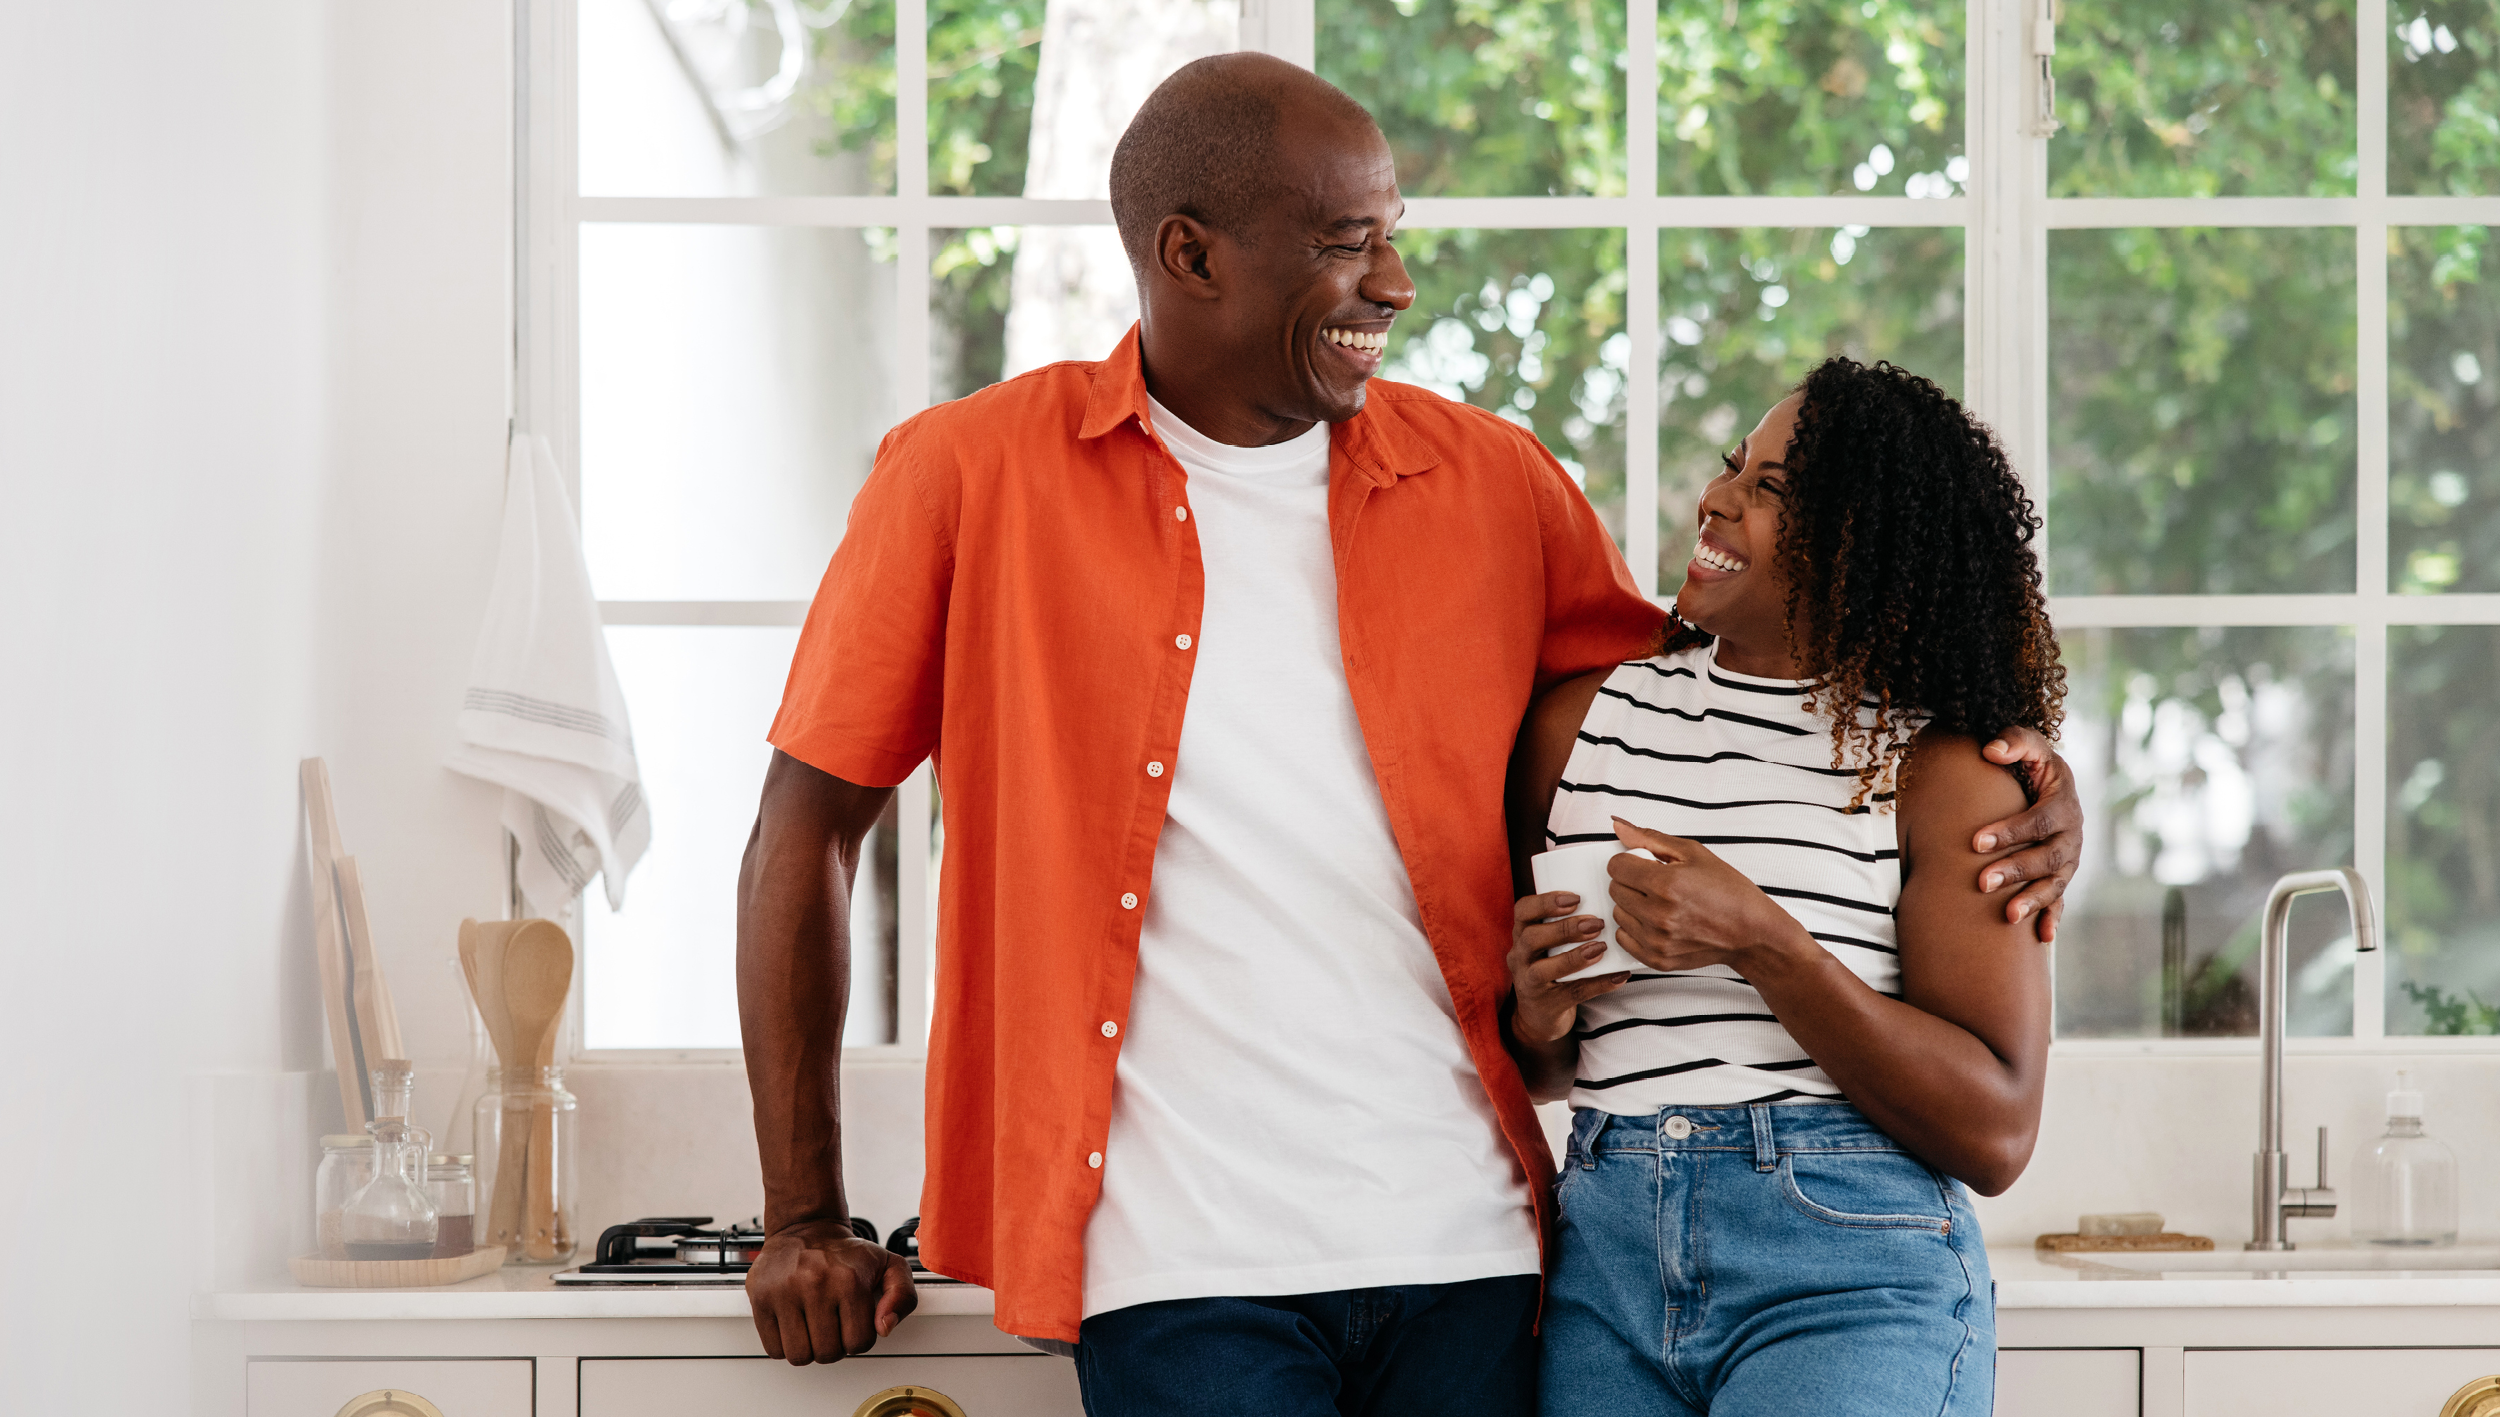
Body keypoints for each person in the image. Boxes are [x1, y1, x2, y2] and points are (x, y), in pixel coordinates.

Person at [736, 54, 2082, 1416]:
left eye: (1394, 236)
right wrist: (801, 1209)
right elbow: (806, 830)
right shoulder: (968, 477)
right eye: (1346, 243)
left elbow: (1748, 676)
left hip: (1478, 1255)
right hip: (1177, 1265)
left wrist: (2005, 747)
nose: (1394, 283)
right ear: (1189, 254)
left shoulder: (1491, 481)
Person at [1506, 358, 2062, 1416]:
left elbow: (1994, 1130)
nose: (1717, 498)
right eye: (1733, 468)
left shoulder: (1944, 774)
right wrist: (1539, 1007)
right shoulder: (1579, 728)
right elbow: (1546, 1065)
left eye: (1772, 491)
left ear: (1867, 549)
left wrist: (1766, 944)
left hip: (1845, 1265)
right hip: (1605, 1260)